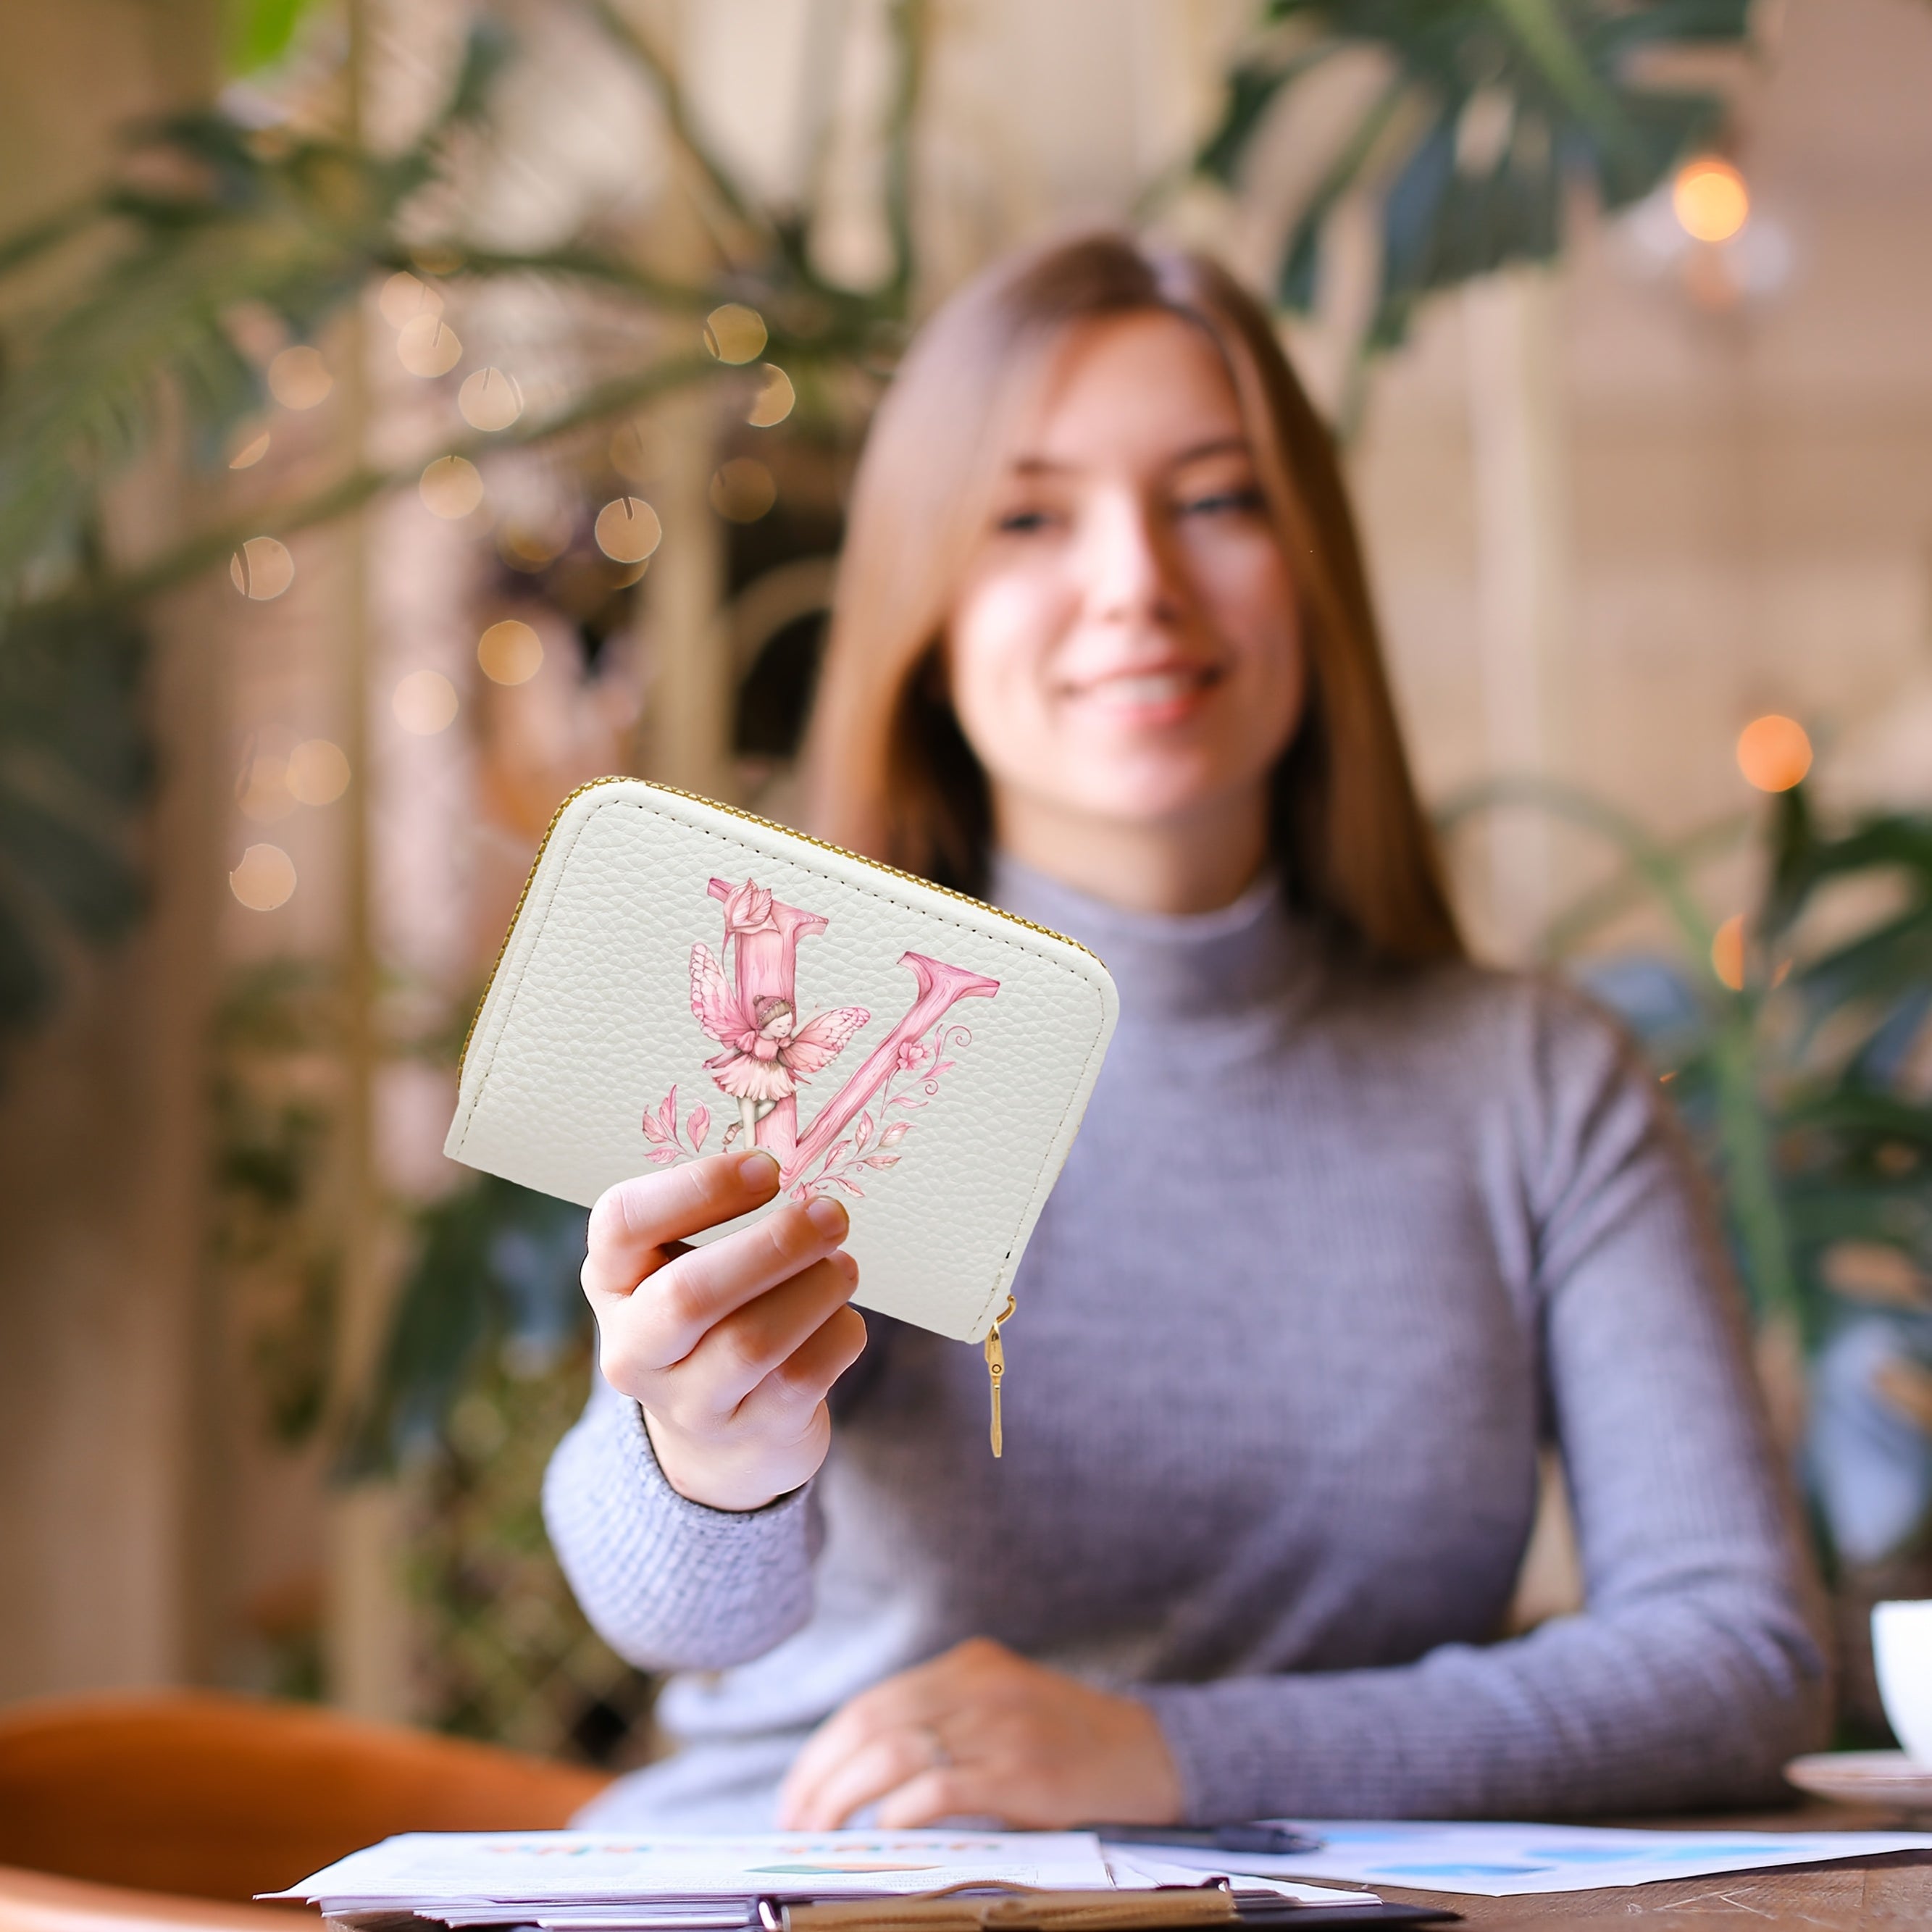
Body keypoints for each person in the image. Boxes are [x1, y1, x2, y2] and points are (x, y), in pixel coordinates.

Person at [543, 233, 1829, 1830]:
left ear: (1312, 568)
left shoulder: (1528, 1085)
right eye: (1026, 517)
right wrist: (702, 1447)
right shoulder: (814, 1017)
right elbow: (673, 1613)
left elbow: (1736, 1651)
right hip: (815, 1877)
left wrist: (1164, 1756)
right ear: (926, 610)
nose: (1133, 582)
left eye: (1215, 499)